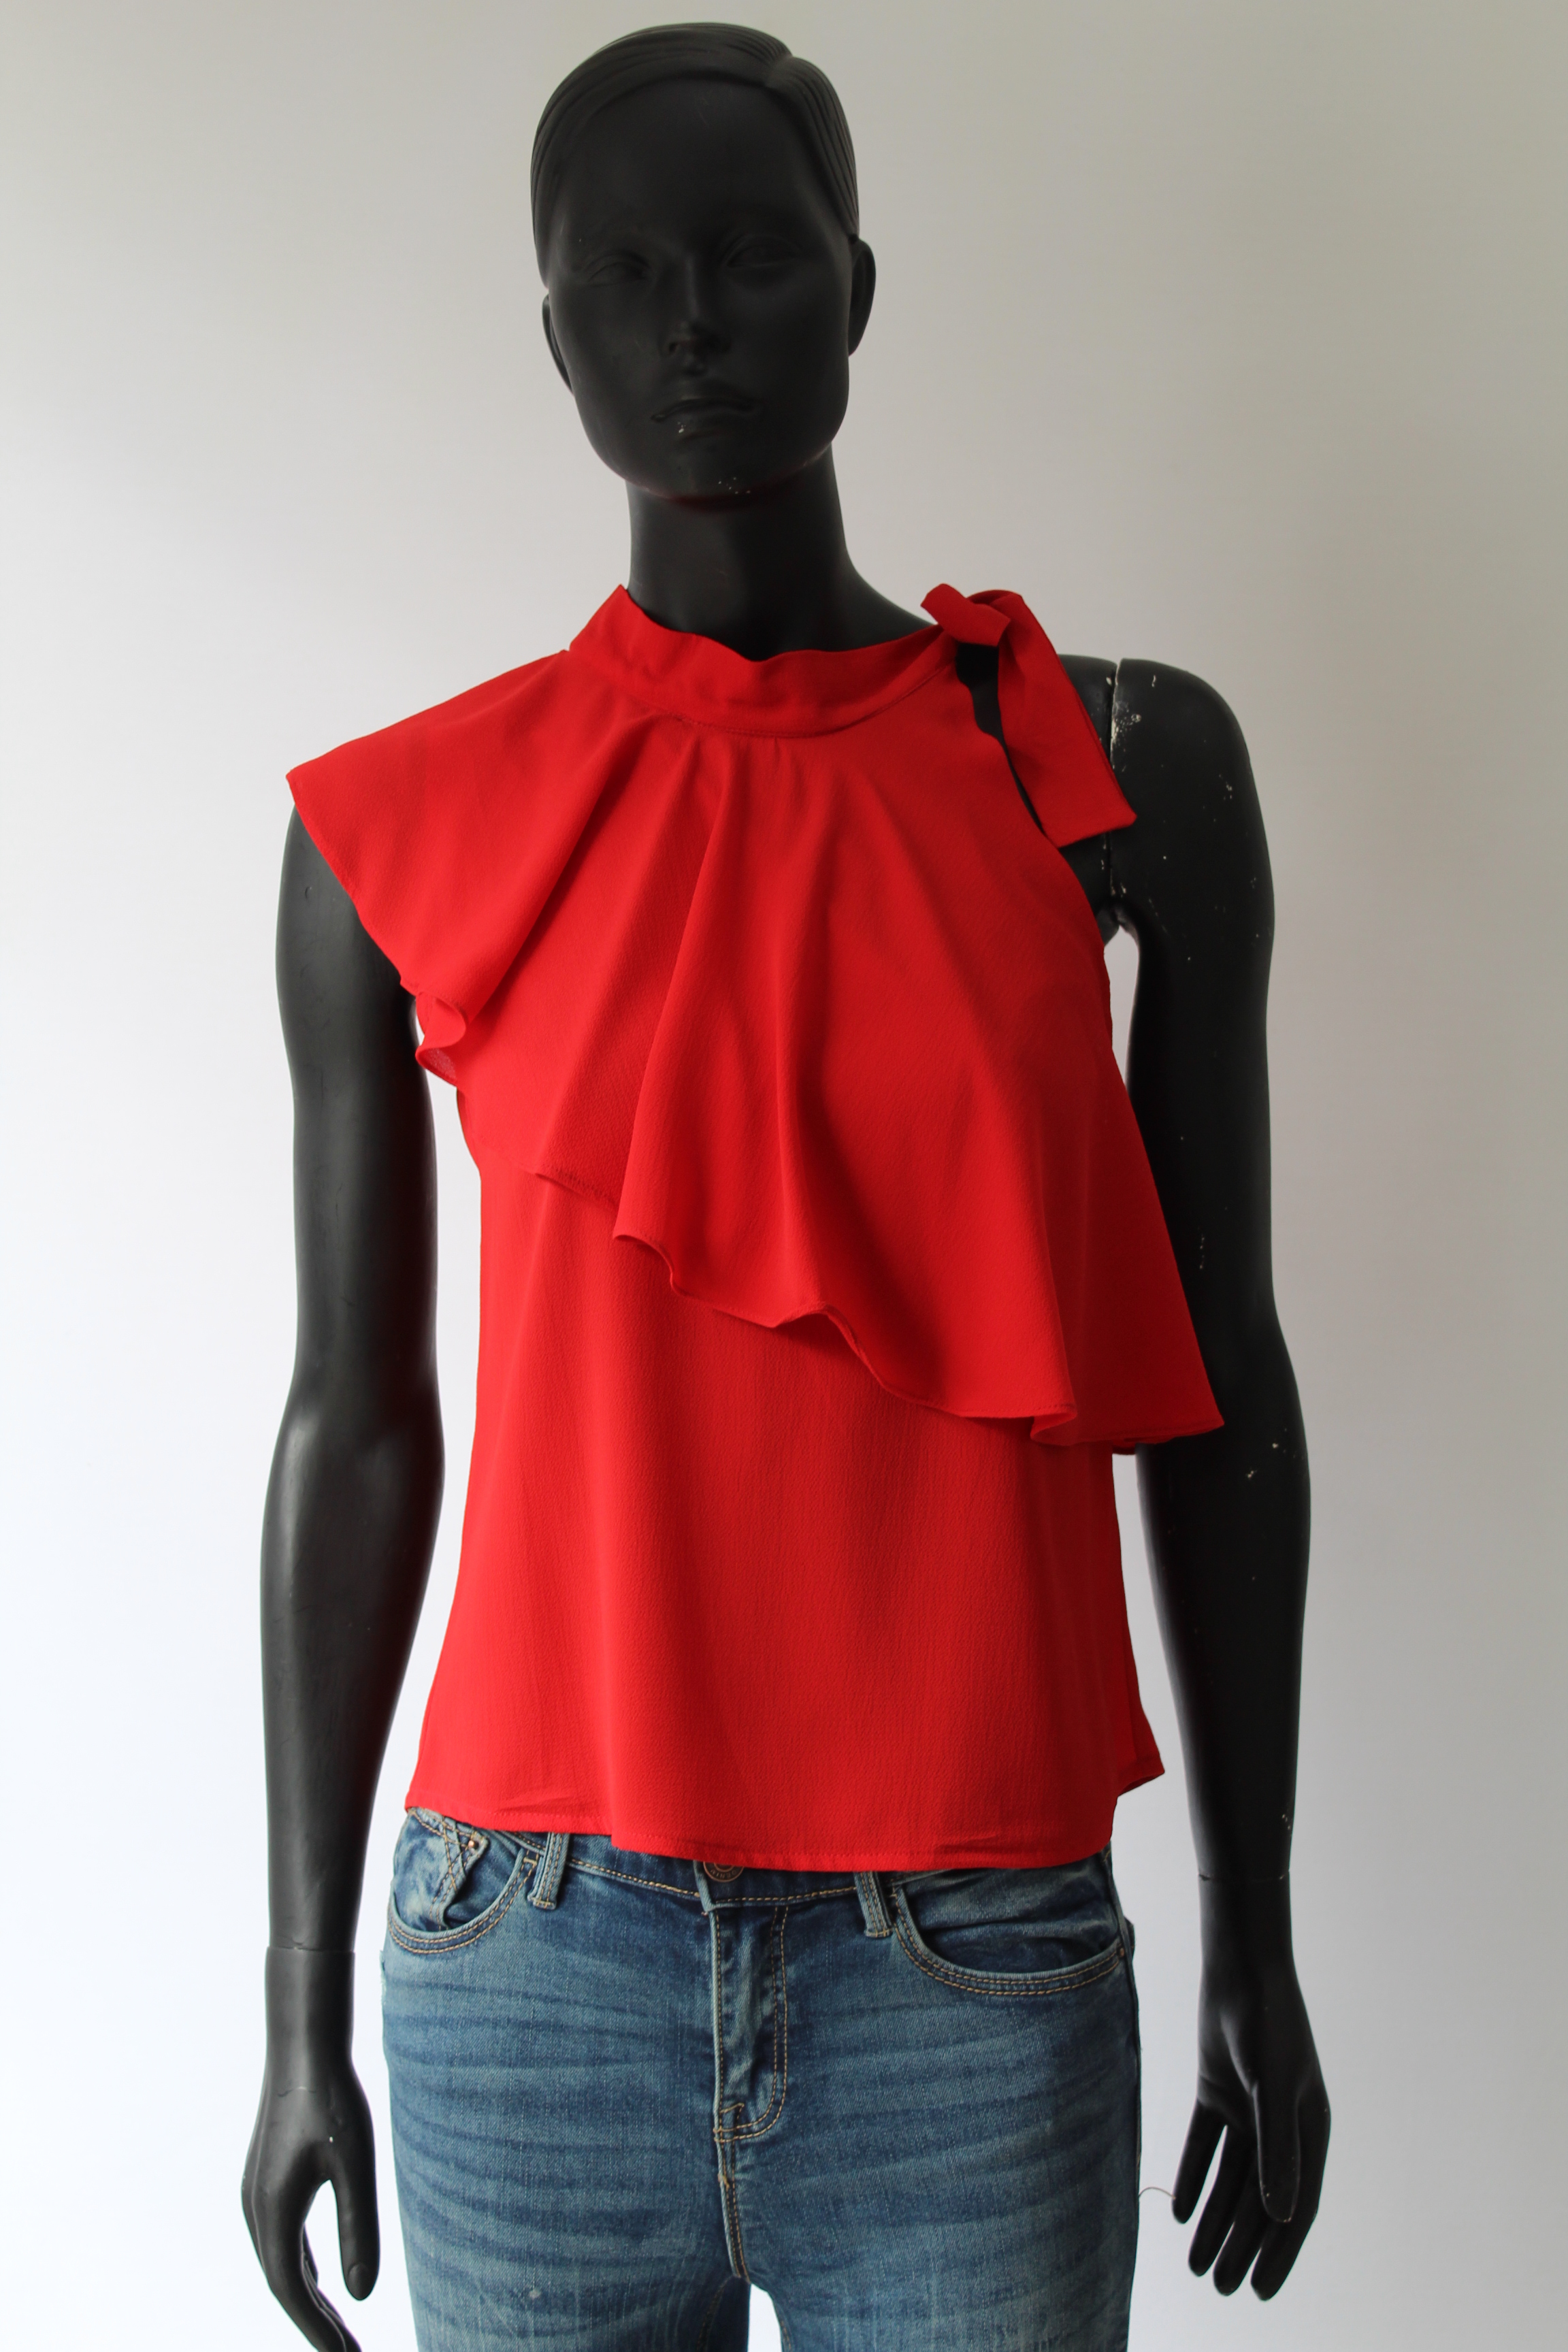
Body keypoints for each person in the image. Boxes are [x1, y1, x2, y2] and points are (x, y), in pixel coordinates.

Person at [242, 24, 1328, 2352]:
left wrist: (1259, 1925)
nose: (692, 323)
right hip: (525, 1959)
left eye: (752, 255)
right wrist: (291, 1992)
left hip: (975, 1973)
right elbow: (354, 1419)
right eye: (623, 277)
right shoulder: (398, 842)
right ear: (554, 338)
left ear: (860, 284)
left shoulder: (1118, 770)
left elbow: (1223, 1378)